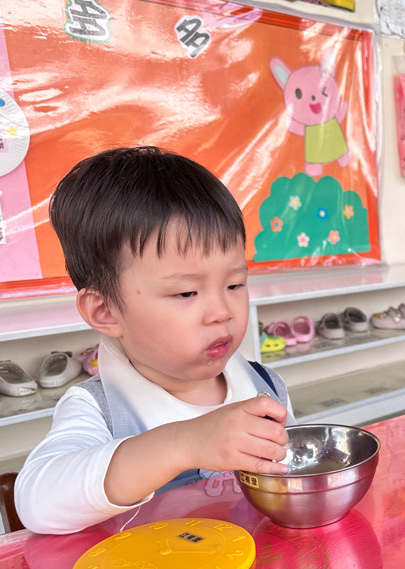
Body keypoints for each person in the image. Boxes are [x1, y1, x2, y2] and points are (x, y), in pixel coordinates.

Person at [15, 147, 293, 535]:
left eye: (234, 285)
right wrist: (184, 443)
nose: (221, 312)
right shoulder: (99, 409)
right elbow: (37, 503)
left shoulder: (265, 386)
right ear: (106, 311)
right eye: (186, 293)